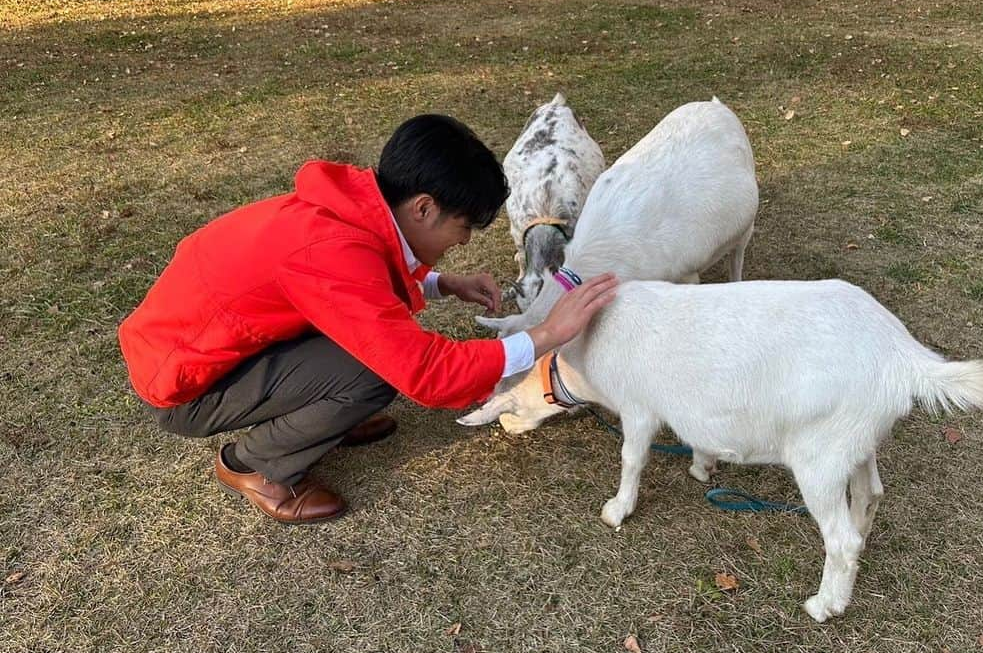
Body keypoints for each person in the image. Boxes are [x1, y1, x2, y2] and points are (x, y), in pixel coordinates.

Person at [118, 114, 617, 525]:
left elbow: (358, 284)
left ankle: (324, 419)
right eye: (463, 227)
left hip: (195, 347)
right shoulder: (331, 250)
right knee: (375, 371)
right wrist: (547, 333)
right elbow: (425, 372)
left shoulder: (348, 208)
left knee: (369, 353)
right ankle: (254, 467)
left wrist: (443, 283)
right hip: (186, 387)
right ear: (423, 207)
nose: (462, 242)